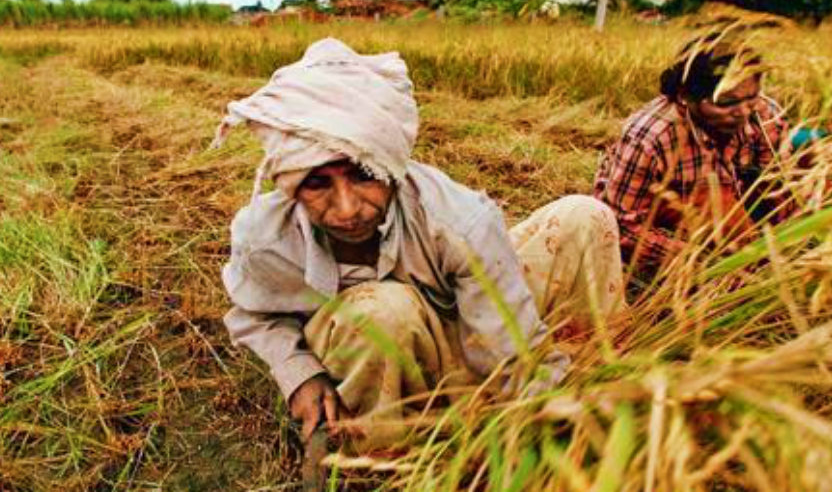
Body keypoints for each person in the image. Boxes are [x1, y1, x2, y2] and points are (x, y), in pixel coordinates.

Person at [212, 38, 625, 452]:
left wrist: (570, 411)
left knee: (585, 216)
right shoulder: (265, 240)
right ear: (289, 185)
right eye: (317, 183)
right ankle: (389, 452)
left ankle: (602, 378)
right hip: (380, 338)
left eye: (362, 175)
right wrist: (299, 372)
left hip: (470, 329)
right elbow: (254, 315)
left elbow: (506, 354)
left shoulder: (458, 219)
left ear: (389, 165)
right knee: (377, 313)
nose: (348, 208)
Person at [593, 27, 795, 285]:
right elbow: (621, 225)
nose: (743, 112)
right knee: (717, 205)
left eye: (751, 97)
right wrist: (697, 262)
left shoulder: (765, 115)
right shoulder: (650, 136)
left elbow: (780, 188)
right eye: (726, 102)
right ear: (687, 97)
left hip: (736, 209)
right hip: (667, 219)